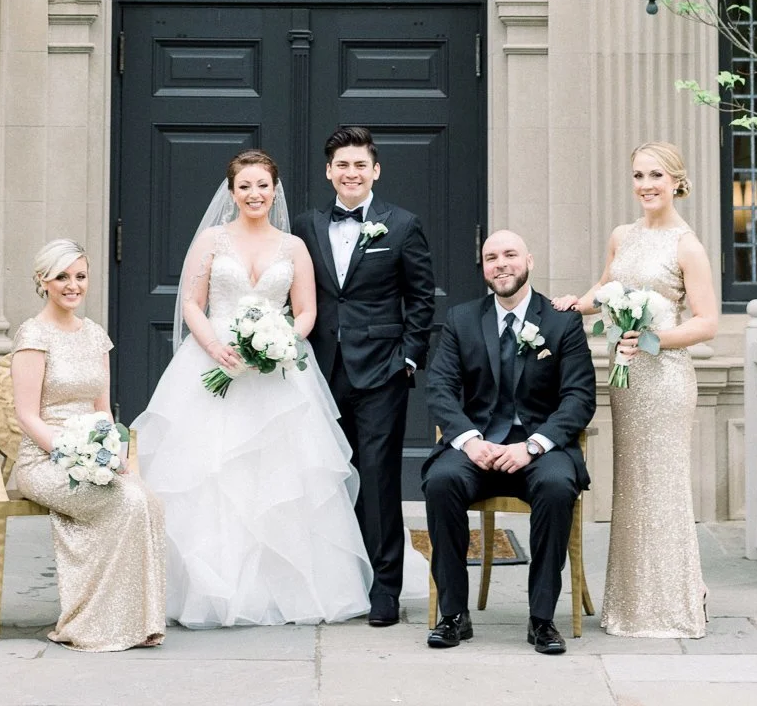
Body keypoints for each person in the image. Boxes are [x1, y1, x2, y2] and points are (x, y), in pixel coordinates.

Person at [132, 149, 372, 627]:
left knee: (283, 478)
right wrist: (215, 347)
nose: (254, 194)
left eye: (262, 185)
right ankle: (207, 592)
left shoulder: (293, 246)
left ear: (274, 190)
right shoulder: (212, 240)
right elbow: (192, 303)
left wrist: (281, 342)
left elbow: (306, 311)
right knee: (212, 474)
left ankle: (284, 591)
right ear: (232, 192)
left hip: (277, 373)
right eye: (244, 186)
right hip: (213, 363)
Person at [554, 141, 717, 639]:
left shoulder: (688, 246)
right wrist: (573, 304)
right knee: (631, 486)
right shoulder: (621, 236)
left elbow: (707, 322)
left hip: (665, 380)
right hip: (626, 380)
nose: (645, 185)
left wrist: (652, 339)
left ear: (677, 182)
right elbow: (605, 289)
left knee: (663, 486)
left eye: (655, 176)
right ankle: (632, 601)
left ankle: (678, 598)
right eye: (638, 176)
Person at [422, 228, 595, 656]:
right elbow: (440, 389)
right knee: (441, 482)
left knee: (556, 487)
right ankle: (453, 615)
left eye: (510, 255)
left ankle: (542, 619)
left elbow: (579, 397)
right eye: (491, 257)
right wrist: (468, 440)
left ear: (528, 261)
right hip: (478, 447)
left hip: (537, 449)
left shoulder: (561, 321)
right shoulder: (462, 319)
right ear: (483, 268)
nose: (501, 264)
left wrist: (533, 446)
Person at [293, 125, 436, 627]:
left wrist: (408, 359)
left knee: (377, 480)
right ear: (328, 172)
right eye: (342, 165)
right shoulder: (306, 226)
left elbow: (421, 298)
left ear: (375, 170)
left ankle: (385, 588)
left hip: (380, 373)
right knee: (326, 477)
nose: (350, 173)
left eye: (360, 165)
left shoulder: (402, 225)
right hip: (319, 372)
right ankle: (335, 582)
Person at [10, 240, 166, 650]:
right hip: (44, 460)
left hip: (92, 455)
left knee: (147, 501)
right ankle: (90, 622)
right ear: (43, 281)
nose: (73, 285)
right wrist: (69, 453)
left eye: (80, 276)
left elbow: (102, 411)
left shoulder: (95, 335)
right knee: (125, 503)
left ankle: (136, 621)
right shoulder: (33, 334)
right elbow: (27, 416)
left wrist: (112, 454)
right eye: (62, 276)